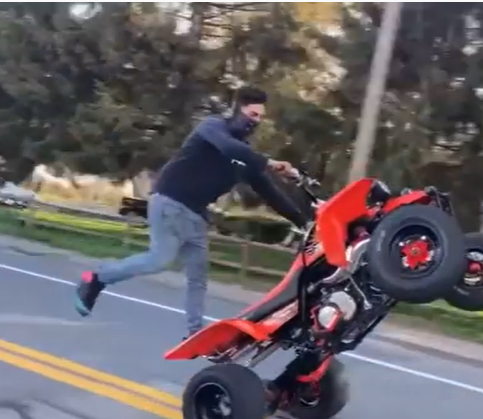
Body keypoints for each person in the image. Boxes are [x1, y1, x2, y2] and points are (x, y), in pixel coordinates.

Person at [74, 87, 309, 339]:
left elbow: (270, 194)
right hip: (170, 202)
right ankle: (96, 278)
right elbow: (228, 148)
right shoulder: (212, 127)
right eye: (252, 114)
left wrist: (304, 222)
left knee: (198, 277)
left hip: (196, 216)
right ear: (237, 109)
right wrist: (270, 163)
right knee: (160, 260)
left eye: (260, 117)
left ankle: (194, 333)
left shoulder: (247, 157)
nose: (256, 122)